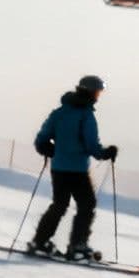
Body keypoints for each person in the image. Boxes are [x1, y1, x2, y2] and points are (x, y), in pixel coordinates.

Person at [28, 75, 119, 261]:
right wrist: (106, 153)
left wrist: (46, 147)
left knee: (59, 204)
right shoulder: (86, 115)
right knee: (87, 205)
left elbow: (42, 139)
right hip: (77, 170)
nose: (98, 96)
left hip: (59, 168)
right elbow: (91, 145)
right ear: (90, 92)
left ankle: (39, 242)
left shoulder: (59, 113)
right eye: (98, 92)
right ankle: (78, 245)